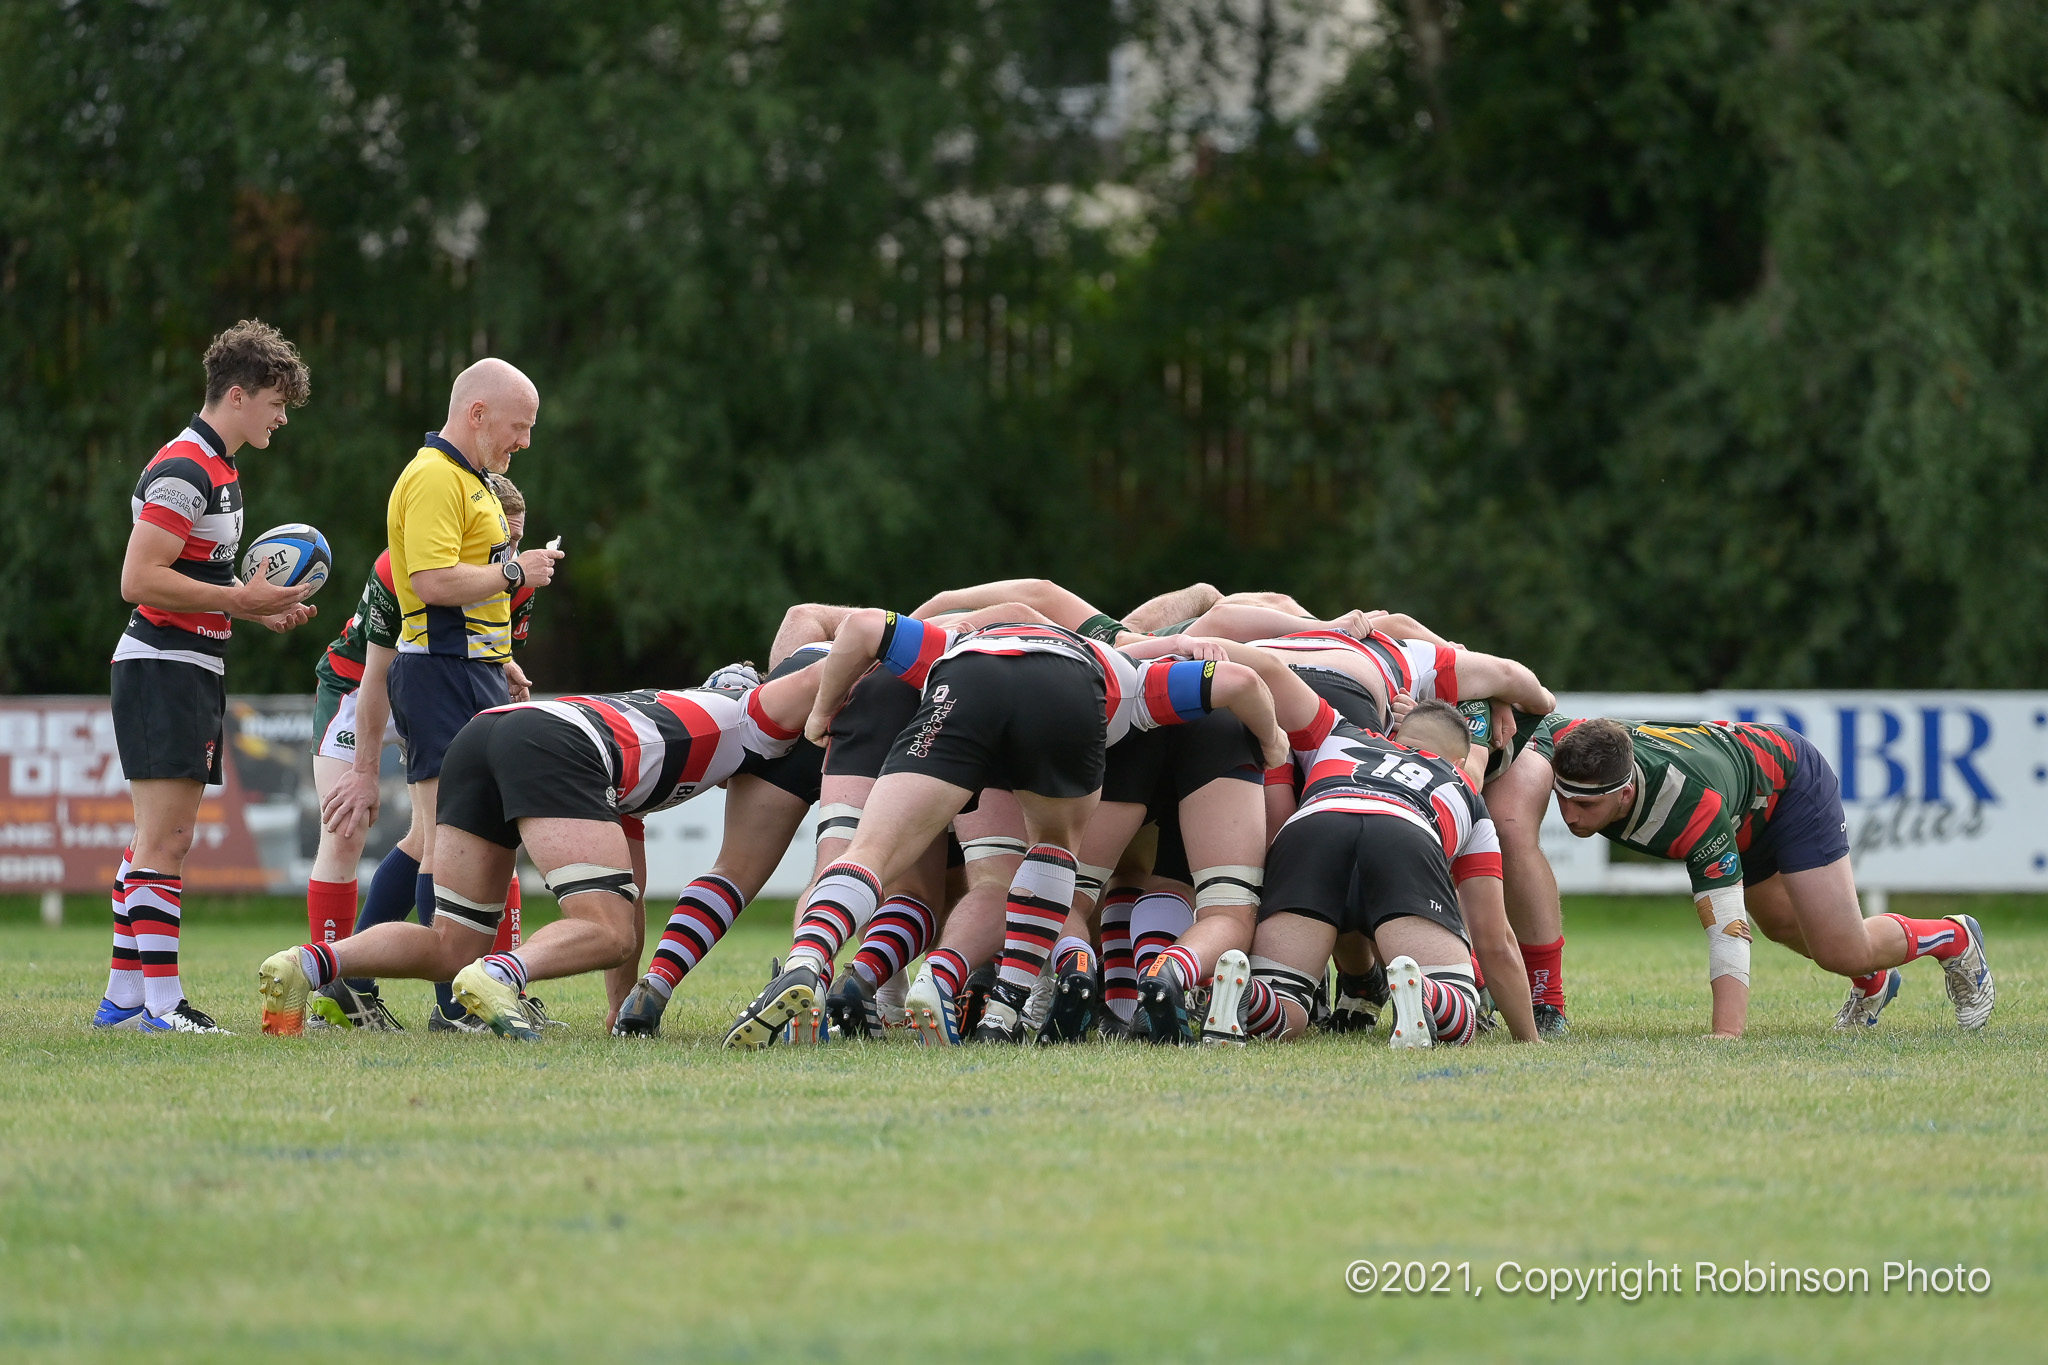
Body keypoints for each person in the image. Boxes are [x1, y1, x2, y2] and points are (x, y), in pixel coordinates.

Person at [722, 606, 1286, 1048]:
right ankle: (1005, 1007)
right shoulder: (1129, 671)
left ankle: (805, 962)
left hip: (967, 682)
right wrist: (1274, 744)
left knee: (871, 851)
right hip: (1070, 694)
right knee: (1052, 852)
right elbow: (1239, 683)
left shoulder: (958, 639)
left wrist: (821, 713)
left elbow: (864, 626)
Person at [257, 662, 826, 1039]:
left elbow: (629, 891)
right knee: (605, 932)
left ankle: (307, 965)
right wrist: (907, 642)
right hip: (554, 745)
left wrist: (622, 1010)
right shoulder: (755, 714)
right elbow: (830, 658)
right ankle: (504, 975)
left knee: (453, 943)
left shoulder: (670, 736)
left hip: (488, 735)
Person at [318, 359, 562, 1028]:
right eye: (519, 426)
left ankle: (355, 981)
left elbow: (465, 583)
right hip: (440, 672)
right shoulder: (432, 476)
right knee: (446, 841)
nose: (525, 442)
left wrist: (501, 657)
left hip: (468, 669)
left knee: (430, 838)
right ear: (477, 413)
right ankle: (454, 1004)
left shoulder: (473, 479)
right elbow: (427, 582)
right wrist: (516, 569)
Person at [95, 320, 315, 1034]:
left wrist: (254, 613)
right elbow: (139, 578)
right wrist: (238, 601)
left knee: (156, 837)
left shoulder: (222, 471)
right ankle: (162, 1005)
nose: (283, 417)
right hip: (162, 666)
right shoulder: (186, 468)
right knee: (166, 839)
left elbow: (195, 577)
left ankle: (125, 1000)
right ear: (239, 393)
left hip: (185, 665)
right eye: (277, 403)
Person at [1539, 717, 1994, 1037]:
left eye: (1586, 805)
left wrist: (1726, 1036)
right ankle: (1873, 980)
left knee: (1840, 949)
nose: (1571, 816)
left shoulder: (1689, 805)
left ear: (1626, 792)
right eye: (1564, 799)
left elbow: (1727, 927)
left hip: (1789, 785)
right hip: (1741, 800)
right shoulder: (1571, 742)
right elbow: (1528, 705)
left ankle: (1953, 937)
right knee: (1779, 924)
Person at [1213, 698, 1511, 1050]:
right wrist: (1529, 1037)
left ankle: (1248, 991)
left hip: (1312, 828)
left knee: (1288, 1006)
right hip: (1404, 832)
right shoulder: (1464, 788)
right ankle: (1427, 991)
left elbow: (1273, 677)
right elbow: (1495, 941)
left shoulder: (1341, 734)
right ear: (1459, 763)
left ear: (1395, 737)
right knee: (1461, 1015)